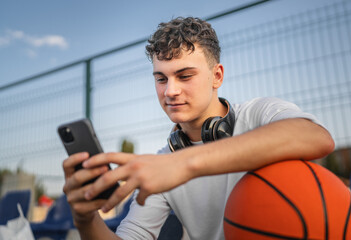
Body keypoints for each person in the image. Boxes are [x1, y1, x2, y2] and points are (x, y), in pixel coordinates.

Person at [62, 17, 334, 239]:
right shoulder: (163, 164)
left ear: (217, 76)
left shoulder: (259, 113)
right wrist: (85, 220)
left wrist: (184, 164)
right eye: (160, 79)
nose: (170, 91)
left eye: (184, 76)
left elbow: (317, 137)